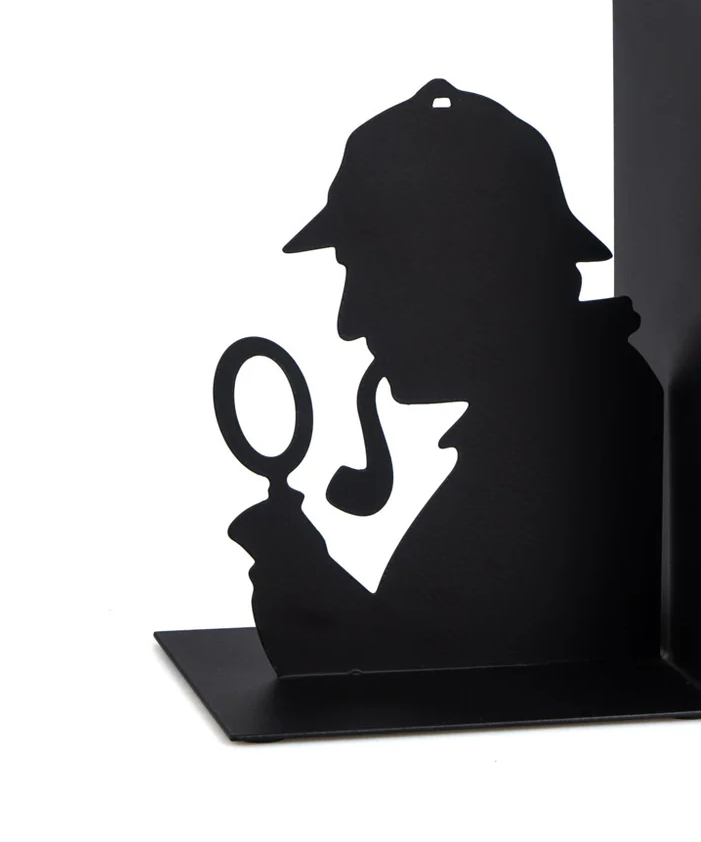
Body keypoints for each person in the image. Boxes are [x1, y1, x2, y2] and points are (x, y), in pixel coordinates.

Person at [228, 79, 664, 677]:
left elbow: (448, 679)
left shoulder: (568, 442)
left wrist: (303, 587)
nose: (349, 323)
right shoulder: (575, 412)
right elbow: (442, 647)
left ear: (469, 270)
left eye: (371, 273)